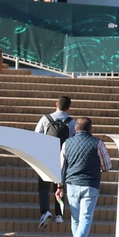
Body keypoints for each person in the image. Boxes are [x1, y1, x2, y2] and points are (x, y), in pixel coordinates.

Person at [57, 117, 110, 237]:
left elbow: (62, 167)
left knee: (76, 219)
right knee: (85, 218)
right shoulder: (98, 143)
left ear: (75, 129)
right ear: (91, 129)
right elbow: (107, 166)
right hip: (90, 184)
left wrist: (59, 186)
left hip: (71, 184)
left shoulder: (67, 143)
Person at [34, 97, 74, 228]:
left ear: (56, 104)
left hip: (46, 156)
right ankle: (59, 215)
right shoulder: (72, 123)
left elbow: (36, 136)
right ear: (69, 108)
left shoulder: (45, 119)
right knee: (60, 186)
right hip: (63, 159)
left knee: (43, 187)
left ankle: (45, 211)